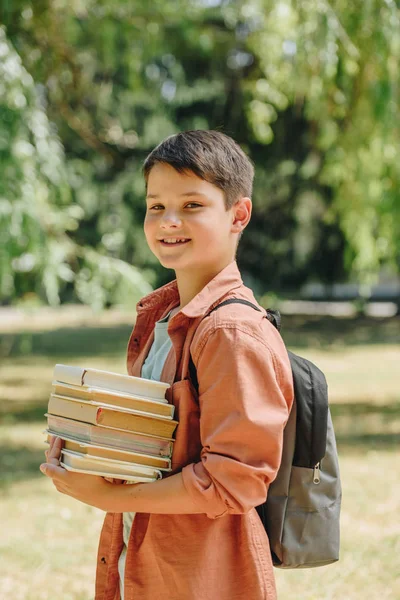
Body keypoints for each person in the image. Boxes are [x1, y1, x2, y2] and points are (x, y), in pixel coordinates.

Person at [41, 130, 294, 600]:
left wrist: (105, 497)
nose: (168, 220)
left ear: (238, 214)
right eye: (155, 206)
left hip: (203, 577)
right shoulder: (164, 317)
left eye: (192, 205)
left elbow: (234, 480)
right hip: (144, 563)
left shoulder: (229, 332)